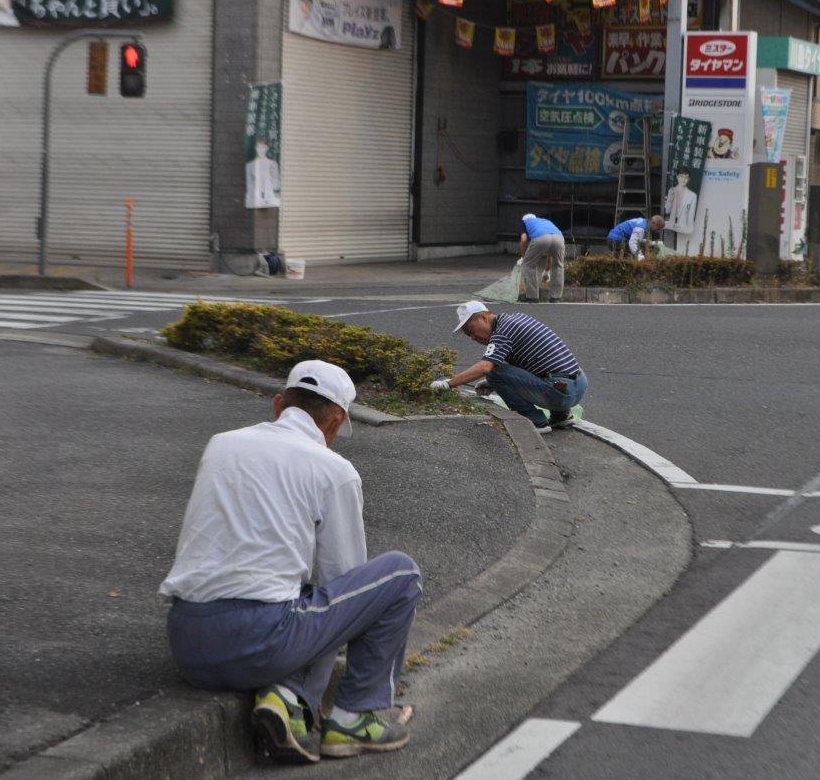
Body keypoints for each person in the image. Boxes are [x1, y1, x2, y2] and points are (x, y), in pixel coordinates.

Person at [160, 360, 421, 764]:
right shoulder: (334, 469)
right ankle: (353, 716)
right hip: (260, 642)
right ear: (335, 419)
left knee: (300, 595)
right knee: (400, 574)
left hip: (188, 641)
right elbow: (345, 581)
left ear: (279, 403)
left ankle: (287, 701)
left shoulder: (221, 444)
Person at [431, 301, 586, 434]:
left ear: (484, 317)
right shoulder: (516, 319)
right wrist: (492, 384)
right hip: (578, 384)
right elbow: (530, 362)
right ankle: (561, 416)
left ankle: (536, 421)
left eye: (471, 330)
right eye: (468, 335)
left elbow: (485, 367)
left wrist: (448, 383)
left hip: (559, 393)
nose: (473, 337)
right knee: (533, 366)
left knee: (494, 372)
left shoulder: (501, 333)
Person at [517, 213, 566, 303]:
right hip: (559, 238)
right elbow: (550, 250)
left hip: (540, 238)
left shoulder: (524, 222)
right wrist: (547, 269)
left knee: (529, 265)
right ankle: (556, 297)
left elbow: (523, 240)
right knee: (558, 266)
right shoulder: (544, 221)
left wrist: (524, 257)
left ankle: (532, 297)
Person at [245, 137, 281, 209]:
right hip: (254, 200)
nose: (261, 150)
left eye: (263, 147)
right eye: (259, 147)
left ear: (267, 148)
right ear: (256, 148)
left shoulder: (273, 164)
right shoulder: (249, 166)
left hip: (270, 200)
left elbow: (276, 186)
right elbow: (249, 187)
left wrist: (272, 174)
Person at [663, 167, 697, 235]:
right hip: (671, 226)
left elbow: (691, 215)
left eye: (686, 177)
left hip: (683, 227)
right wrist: (670, 200)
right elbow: (667, 211)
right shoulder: (672, 190)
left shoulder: (693, 195)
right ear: (677, 177)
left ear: (689, 179)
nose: (683, 179)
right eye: (681, 176)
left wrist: (689, 229)